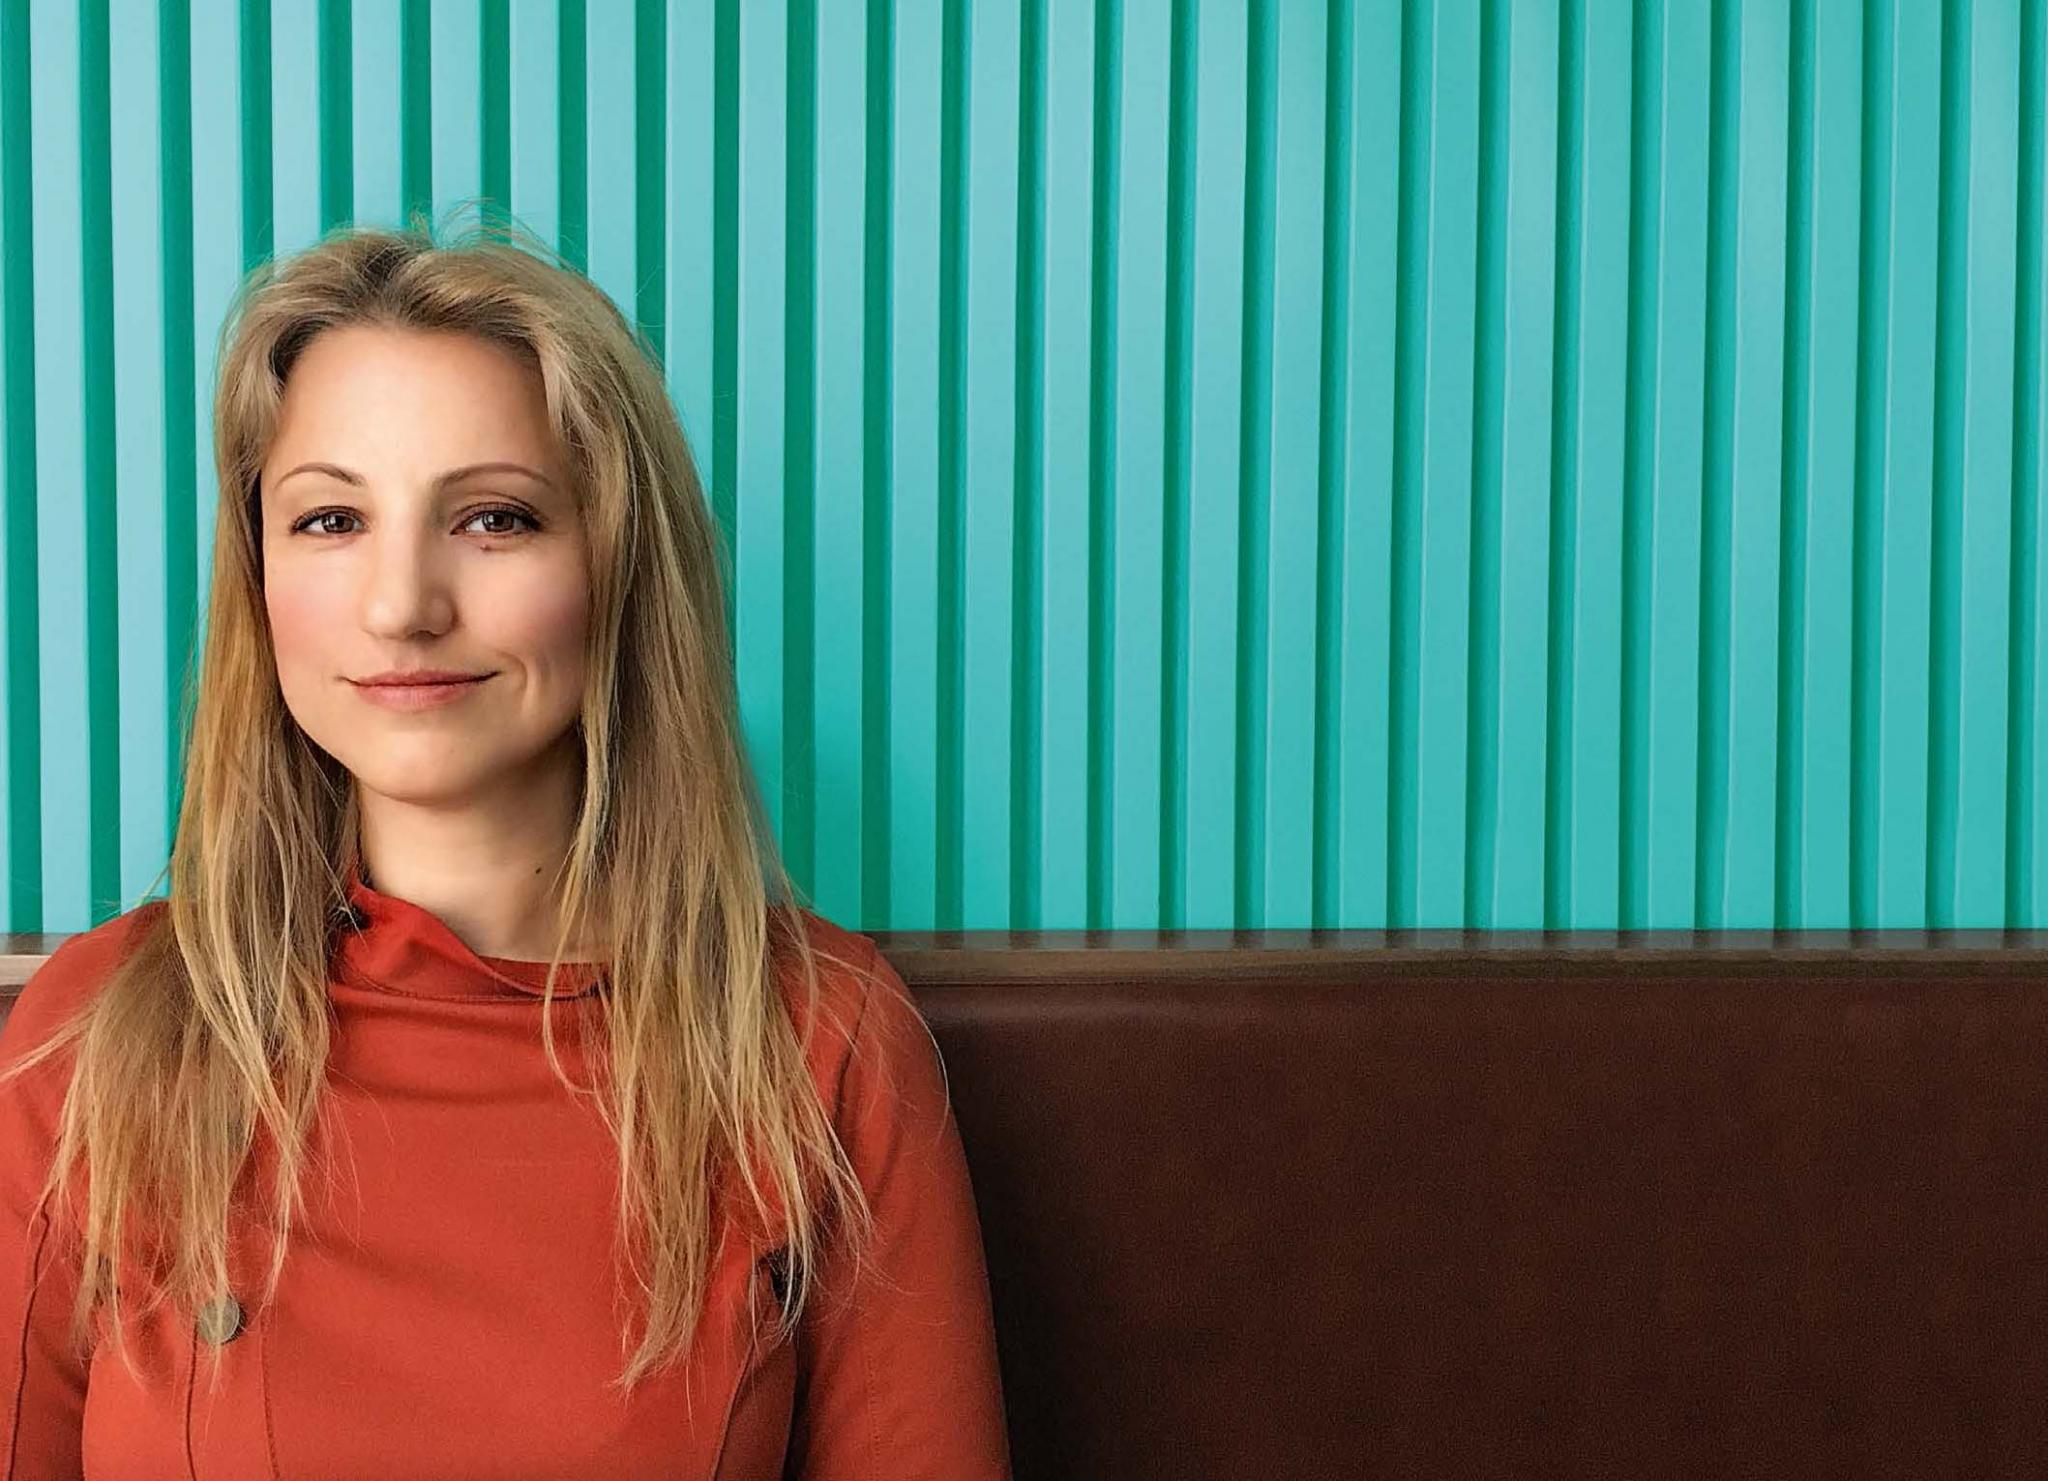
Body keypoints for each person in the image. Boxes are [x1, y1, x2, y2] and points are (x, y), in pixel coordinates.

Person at [0, 216, 1011, 1478]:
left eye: (493, 517)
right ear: (258, 577)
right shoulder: (93, 1033)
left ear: (618, 565)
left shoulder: (819, 1040)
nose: (402, 605)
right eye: (330, 519)